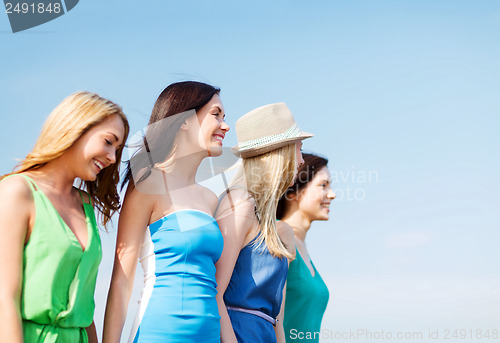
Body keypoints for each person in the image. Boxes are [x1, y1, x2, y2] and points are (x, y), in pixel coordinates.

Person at [103, 81, 230, 343]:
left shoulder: (210, 199)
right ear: (184, 120)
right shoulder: (148, 185)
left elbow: (216, 287)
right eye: (216, 115)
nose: (225, 126)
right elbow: (121, 282)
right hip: (158, 334)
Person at [0, 91, 129, 343]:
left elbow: (85, 310)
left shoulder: (86, 204)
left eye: (118, 149)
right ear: (76, 128)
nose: (113, 158)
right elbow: (4, 298)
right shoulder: (17, 192)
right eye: (108, 141)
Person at [215, 102, 313, 343]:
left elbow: (276, 318)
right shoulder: (239, 203)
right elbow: (214, 293)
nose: (301, 160)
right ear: (279, 152)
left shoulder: (269, 223)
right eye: (298, 149)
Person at [276, 153, 335, 342]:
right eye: (323, 185)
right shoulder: (278, 235)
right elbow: (273, 317)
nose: (332, 194)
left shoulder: (302, 246)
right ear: (293, 191)